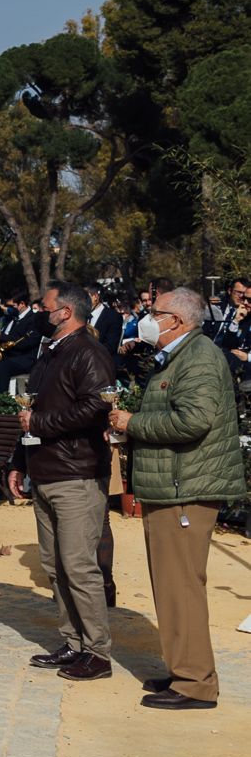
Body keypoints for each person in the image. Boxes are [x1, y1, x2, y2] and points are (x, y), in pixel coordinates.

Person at [107, 288, 246, 710]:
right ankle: (183, 668)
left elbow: (194, 420)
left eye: (155, 313)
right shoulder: (182, 354)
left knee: (181, 586)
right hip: (172, 486)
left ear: (178, 321)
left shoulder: (200, 357)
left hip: (185, 487)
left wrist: (134, 422)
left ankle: (195, 684)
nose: (148, 319)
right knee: (172, 586)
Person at [7, 282, 116, 681]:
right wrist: (19, 461)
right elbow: (29, 411)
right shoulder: (50, 353)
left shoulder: (88, 352)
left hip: (78, 474)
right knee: (55, 566)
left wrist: (41, 424)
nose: (40, 311)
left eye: (45, 306)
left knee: (79, 566)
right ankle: (73, 643)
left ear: (66, 311)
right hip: (45, 470)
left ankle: (98, 653)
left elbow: (97, 408)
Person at [0, 292, 42, 393]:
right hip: (11, 355)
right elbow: (9, 336)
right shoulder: (14, 317)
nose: (10, 309)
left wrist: (1, 336)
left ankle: (1, 399)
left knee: (3, 366)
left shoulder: (33, 319)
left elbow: (27, 342)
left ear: (22, 304)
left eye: (13, 306)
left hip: (26, 358)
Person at [86, 282, 123, 355]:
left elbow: (110, 346)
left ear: (95, 297)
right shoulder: (81, 315)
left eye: (85, 297)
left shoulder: (113, 317)